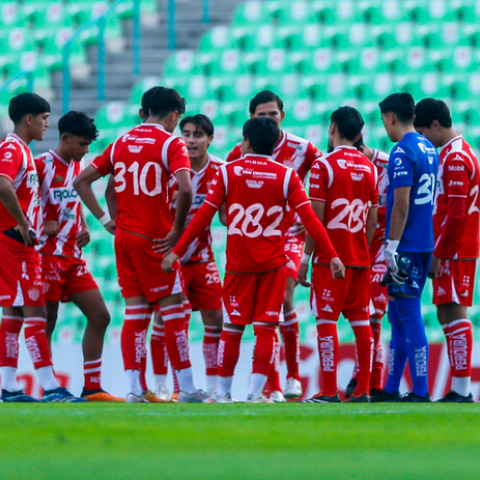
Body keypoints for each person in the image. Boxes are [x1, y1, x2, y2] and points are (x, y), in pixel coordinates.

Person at [162, 116, 344, 403]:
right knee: (266, 331)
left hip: (239, 267)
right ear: (274, 145)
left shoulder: (227, 172)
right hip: (273, 267)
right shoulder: (286, 175)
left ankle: (222, 393)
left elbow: (202, 218)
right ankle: (255, 394)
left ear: (245, 141)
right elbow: (310, 219)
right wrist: (332, 255)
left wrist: (175, 250)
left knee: (232, 330)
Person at [74, 86, 206, 403]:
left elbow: (82, 181)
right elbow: (186, 191)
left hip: (124, 237)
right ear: (174, 115)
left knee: (135, 311)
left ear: (142, 112)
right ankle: (187, 387)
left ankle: (134, 388)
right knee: (174, 308)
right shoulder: (171, 142)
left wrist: (108, 220)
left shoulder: (121, 142)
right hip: (156, 237)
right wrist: (176, 231)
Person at [227, 91, 322, 400]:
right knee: (268, 310)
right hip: (257, 236)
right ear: (251, 118)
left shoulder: (303, 149)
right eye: (260, 115)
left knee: (283, 298)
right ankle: (275, 385)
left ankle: (291, 376)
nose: (267, 120)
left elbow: (326, 174)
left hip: (291, 235)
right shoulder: (240, 151)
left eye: (272, 114)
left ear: (283, 115)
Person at [0, 93, 84, 402]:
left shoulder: (21, 150)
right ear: (28, 119)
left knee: (13, 315)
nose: (47, 124)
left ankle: (8, 386)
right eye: (44, 118)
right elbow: (2, 183)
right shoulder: (13, 149)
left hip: (14, 243)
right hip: (16, 244)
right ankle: (50, 387)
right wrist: (23, 222)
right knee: (37, 313)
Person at [35, 111, 123, 402]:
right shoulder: (41, 166)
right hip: (47, 256)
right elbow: (21, 204)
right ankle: (48, 387)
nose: (86, 150)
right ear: (65, 138)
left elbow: (72, 202)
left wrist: (83, 225)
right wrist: (41, 225)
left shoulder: (79, 165)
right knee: (46, 321)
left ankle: (93, 387)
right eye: (82, 144)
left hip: (73, 256)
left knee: (100, 316)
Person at [299, 107, 378, 403]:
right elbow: (372, 220)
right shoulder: (370, 167)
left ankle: (330, 390)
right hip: (360, 257)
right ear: (359, 134)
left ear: (332, 128)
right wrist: (360, 246)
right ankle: (363, 390)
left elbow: (315, 219)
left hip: (329, 260)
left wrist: (306, 258)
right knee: (360, 321)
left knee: (326, 321)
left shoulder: (323, 166)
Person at [151, 114, 225, 400]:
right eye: (186, 133)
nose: (191, 140)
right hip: (171, 259)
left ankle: (215, 387)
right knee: (165, 320)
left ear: (210, 139)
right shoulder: (168, 168)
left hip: (203, 258)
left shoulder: (221, 169)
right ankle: (163, 387)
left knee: (215, 320)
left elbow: (228, 213)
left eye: (198, 134)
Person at [373, 92, 439, 403]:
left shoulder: (401, 152)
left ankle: (421, 390)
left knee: (409, 314)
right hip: (423, 241)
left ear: (390, 118)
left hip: (407, 246)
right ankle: (391, 388)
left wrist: (391, 248)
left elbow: (401, 205)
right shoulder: (429, 147)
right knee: (397, 315)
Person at [415, 98, 479, 403]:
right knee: (447, 312)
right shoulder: (461, 152)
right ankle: (460, 387)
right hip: (457, 247)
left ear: (436, 125)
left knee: (454, 311)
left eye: (424, 134)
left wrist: (440, 254)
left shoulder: (454, 158)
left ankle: (463, 389)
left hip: (454, 250)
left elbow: (456, 212)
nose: (425, 141)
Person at [345, 138, 389, 398]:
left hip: (383, 248)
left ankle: (372, 382)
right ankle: (366, 380)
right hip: (360, 251)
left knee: (374, 317)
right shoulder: (341, 168)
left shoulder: (388, 165)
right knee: (365, 317)